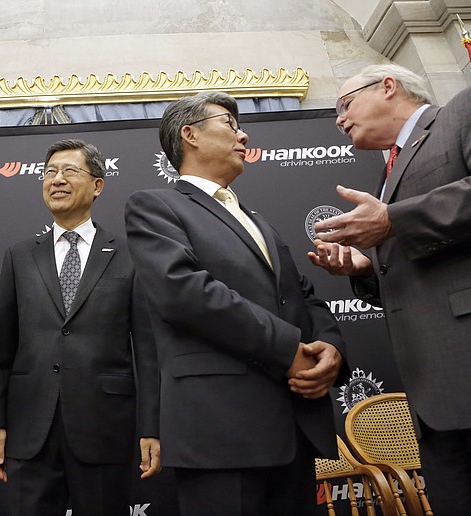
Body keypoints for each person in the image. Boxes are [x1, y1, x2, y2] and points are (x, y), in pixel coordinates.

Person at [124, 91, 346, 515]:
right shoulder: (155, 206)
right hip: (220, 430)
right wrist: (289, 352)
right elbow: (185, 293)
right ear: (189, 134)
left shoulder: (256, 218)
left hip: (294, 425)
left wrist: (331, 349)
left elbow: (302, 294)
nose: (243, 135)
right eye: (229, 123)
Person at [308, 63, 471, 515]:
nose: (339, 119)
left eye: (344, 105)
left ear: (387, 86)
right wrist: (367, 267)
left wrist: (393, 220)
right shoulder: (390, 171)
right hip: (437, 402)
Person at [0, 139, 160, 516]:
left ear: (97, 185)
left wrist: (151, 427)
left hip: (104, 428)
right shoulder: (19, 256)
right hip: (29, 430)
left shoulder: (130, 255)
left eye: (69, 171)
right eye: (49, 173)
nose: (56, 180)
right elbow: (1, 350)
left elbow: (148, 352)